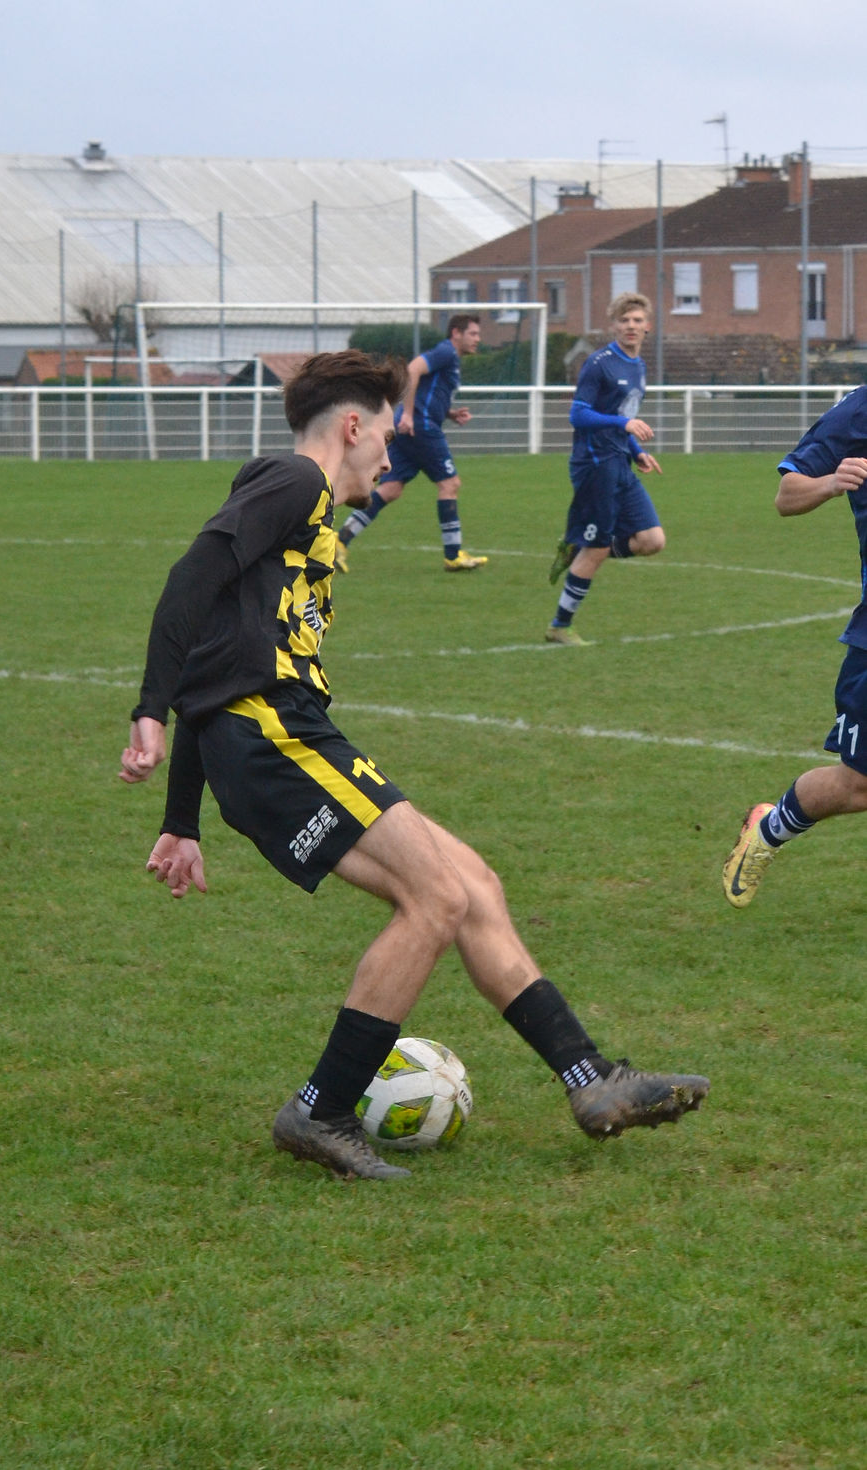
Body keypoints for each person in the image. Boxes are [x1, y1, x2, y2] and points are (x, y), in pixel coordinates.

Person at [120, 348, 709, 1181]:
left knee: (473, 883)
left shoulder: (303, 504)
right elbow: (190, 581)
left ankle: (592, 1080)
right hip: (272, 737)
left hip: (279, 735)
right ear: (350, 427)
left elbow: (214, 650)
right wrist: (148, 711)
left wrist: (182, 818)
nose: (392, 452)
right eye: (388, 434)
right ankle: (321, 1110)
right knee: (434, 898)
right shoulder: (295, 481)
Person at [722, 388, 867, 907]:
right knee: (858, 784)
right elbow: (788, 496)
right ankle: (769, 829)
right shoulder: (858, 411)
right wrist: (831, 482)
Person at [546, 293, 664, 646]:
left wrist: (637, 451)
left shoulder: (638, 367)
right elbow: (578, 414)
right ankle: (560, 626)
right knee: (596, 549)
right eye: (624, 320)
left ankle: (577, 546)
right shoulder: (599, 364)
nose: (631, 326)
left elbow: (622, 417)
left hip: (620, 460)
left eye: (637, 320)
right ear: (613, 325)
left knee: (652, 540)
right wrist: (623, 425)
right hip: (595, 464)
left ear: (648, 326)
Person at [334, 314, 488, 573]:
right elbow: (412, 370)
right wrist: (407, 413)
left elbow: (430, 393)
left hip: (413, 427)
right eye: (473, 333)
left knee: (391, 489)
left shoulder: (450, 358)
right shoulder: (446, 352)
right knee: (450, 484)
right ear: (456, 333)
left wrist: (450, 413)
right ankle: (453, 555)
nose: (477, 339)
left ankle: (340, 541)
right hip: (420, 427)